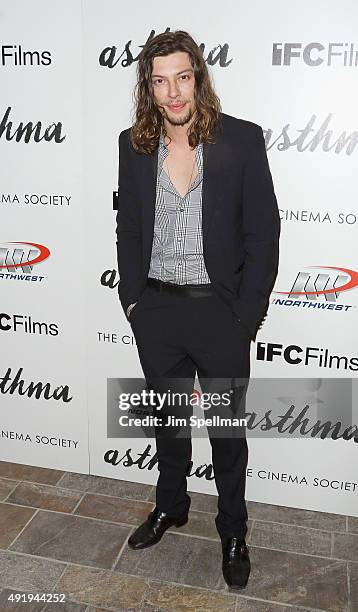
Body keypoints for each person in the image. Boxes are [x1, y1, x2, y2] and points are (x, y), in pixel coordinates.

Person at [115, 30, 280, 590]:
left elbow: (264, 233)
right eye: (160, 82)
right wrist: (133, 301)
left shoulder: (240, 140)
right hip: (157, 310)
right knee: (168, 424)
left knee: (228, 434)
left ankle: (233, 530)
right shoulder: (133, 144)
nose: (173, 93)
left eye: (182, 77)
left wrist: (246, 317)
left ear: (199, 77)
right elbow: (130, 226)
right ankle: (171, 505)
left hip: (220, 315)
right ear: (149, 88)